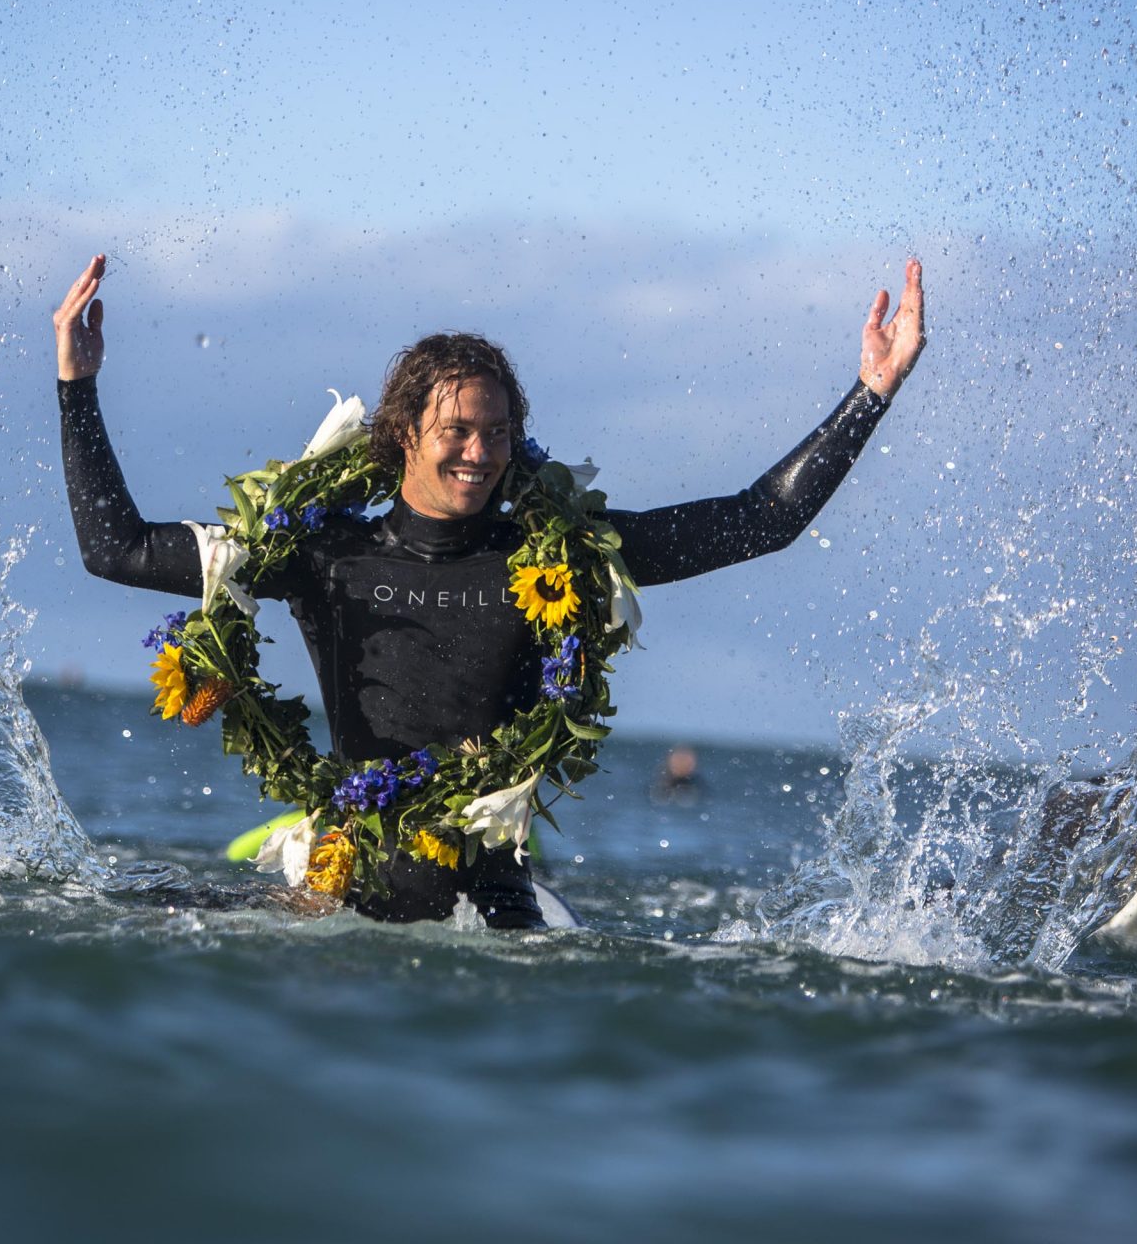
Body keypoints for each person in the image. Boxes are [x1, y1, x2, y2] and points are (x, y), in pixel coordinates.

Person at [55, 252, 925, 926]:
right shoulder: (321, 554)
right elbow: (117, 548)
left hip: (495, 905)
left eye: (499, 432)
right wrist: (77, 387)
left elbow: (757, 520)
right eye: (457, 430)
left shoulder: (555, 557)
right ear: (401, 435)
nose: (479, 451)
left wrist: (871, 392)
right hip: (340, 885)